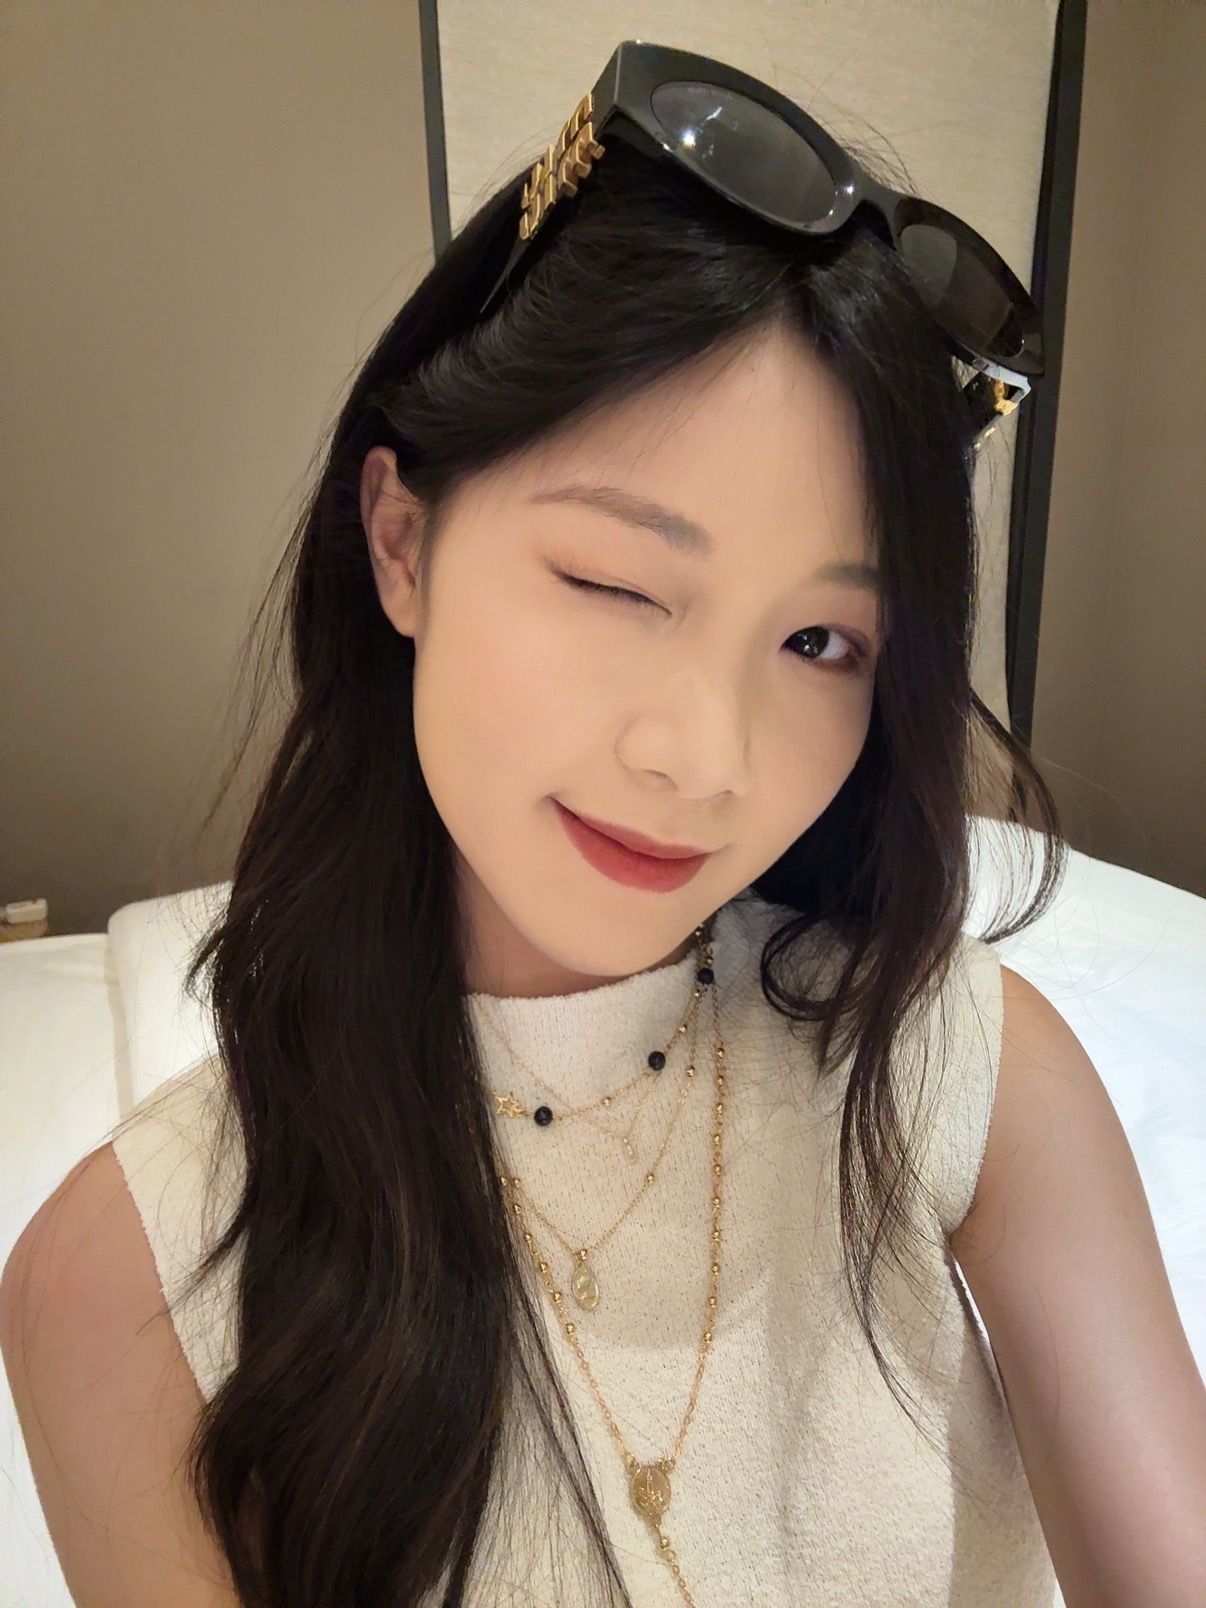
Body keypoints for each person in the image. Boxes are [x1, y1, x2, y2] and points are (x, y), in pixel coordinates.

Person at [4, 39, 1206, 1608]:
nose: (703, 759)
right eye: (613, 582)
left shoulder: (956, 1068)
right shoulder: (128, 1283)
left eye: (819, 642)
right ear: (401, 544)